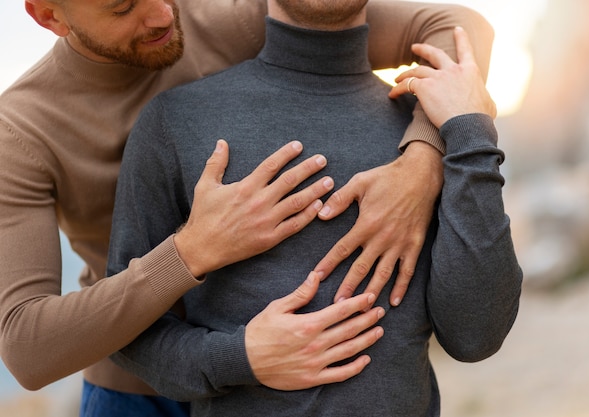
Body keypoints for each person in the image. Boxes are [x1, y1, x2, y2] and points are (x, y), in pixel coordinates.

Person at [0, 0, 495, 413]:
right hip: (137, 389)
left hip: (276, 381)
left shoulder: (226, 20)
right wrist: (192, 251)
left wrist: (423, 161)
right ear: (50, 16)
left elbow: (459, 30)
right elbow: (28, 349)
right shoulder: (20, 132)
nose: (159, 16)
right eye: (124, 7)